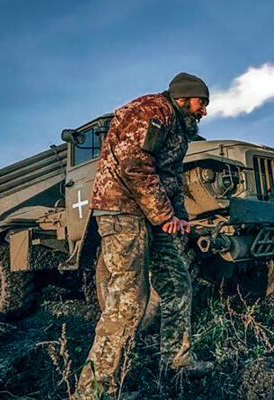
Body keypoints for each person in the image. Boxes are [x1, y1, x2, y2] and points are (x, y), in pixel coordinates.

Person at [77, 72, 212, 397]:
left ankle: (177, 361)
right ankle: (96, 390)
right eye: (201, 103)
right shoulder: (152, 111)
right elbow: (134, 165)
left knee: (178, 285)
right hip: (123, 210)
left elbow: (170, 178)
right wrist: (165, 216)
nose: (204, 111)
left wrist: (178, 220)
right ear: (182, 98)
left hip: (151, 215)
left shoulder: (178, 128)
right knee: (128, 299)